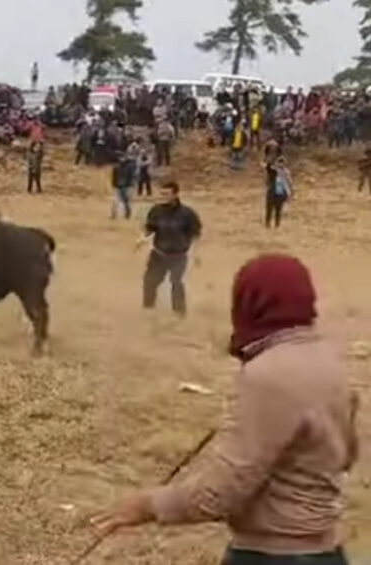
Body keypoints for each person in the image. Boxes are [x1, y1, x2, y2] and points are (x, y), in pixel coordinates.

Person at [91, 253, 359, 565]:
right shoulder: (330, 363)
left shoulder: (268, 375)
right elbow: (345, 456)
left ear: (250, 302)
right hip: (327, 553)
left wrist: (148, 505)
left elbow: (219, 494)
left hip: (271, 556)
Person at [137, 181, 202, 316]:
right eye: (162, 194)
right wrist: (142, 239)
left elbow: (196, 234)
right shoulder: (156, 211)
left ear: (175, 195)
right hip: (158, 254)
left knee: (176, 283)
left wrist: (196, 254)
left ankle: (179, 314)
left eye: (166, 194)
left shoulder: (187, 214)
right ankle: (148, 310)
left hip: (178, 255)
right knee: (150, 282)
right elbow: (150, 229)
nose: (163, 197)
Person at [265, 156, 293, 229]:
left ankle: (277, 224)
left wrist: (289, 192)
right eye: (279, 163)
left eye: (282, 163)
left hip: (280, 193)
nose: (281, 165)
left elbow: (289, 182)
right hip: (272, 192)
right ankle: (267, 223)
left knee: (278, 209)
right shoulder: (273, 171)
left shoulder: (286, 172)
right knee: (269, 209)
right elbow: (268, 168)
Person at [111, 152, 135, 220]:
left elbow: (131, 177)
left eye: (123, 157)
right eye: (121, 158)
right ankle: (114, 215)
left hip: (127, 187)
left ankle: (128, 215)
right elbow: (114, 177)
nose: (122, 159)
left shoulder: (129, 168)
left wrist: (131, 186)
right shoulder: (116, 168)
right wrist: (114, 185)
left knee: (127, 202)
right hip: (118, 187)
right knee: (115, 201)